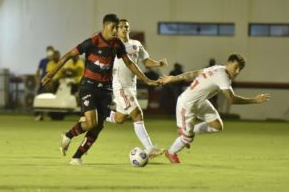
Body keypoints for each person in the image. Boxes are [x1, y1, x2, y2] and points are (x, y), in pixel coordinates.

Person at [42, 14, 159, 165]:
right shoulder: (92, 41)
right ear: (105, 26)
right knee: (91, 122)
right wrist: (51, 74)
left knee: (97, 127)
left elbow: (129, 63)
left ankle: (76, 157)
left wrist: (146, 79)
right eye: (114, 27)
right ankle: (68, 135)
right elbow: (69, 55)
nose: (116, 30)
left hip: (105, 90)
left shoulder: (117, 44)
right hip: (88, 86)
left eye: (118, 27)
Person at [159, 54, 270, 163]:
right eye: (236, 67)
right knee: (188, 138)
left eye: (240, 69)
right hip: (187, 105)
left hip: (200, 102)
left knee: (217, 126)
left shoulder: (217, 68)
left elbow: (195, 73)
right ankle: (171, 152)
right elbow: (232, 100)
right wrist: (254, 100)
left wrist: (174, 78)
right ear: (228, 63)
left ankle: (186, 131)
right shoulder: (223, 76)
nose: (237, 72)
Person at [105, 19, 167, 156]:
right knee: (137, 114)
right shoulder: (113, 44)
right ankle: (150, 149)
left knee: (120, 118)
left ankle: (99, 113)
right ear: (116, 29)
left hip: (131, 86)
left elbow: (145, 61)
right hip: (120, 86)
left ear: (129, 28)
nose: (123, 29)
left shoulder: (136, 44)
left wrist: (158, 64)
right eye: (120, 27)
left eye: (126, 27)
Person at [34, 45, 54, 121]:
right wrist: (37, 81)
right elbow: (37, 72)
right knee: (38, 95)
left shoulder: (55, 61)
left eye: (51, 51)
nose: (49, 52)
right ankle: (39, 114)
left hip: (51, 82)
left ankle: (51, 114)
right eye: (48, 51)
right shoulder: (43, 61)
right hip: (43, 82)